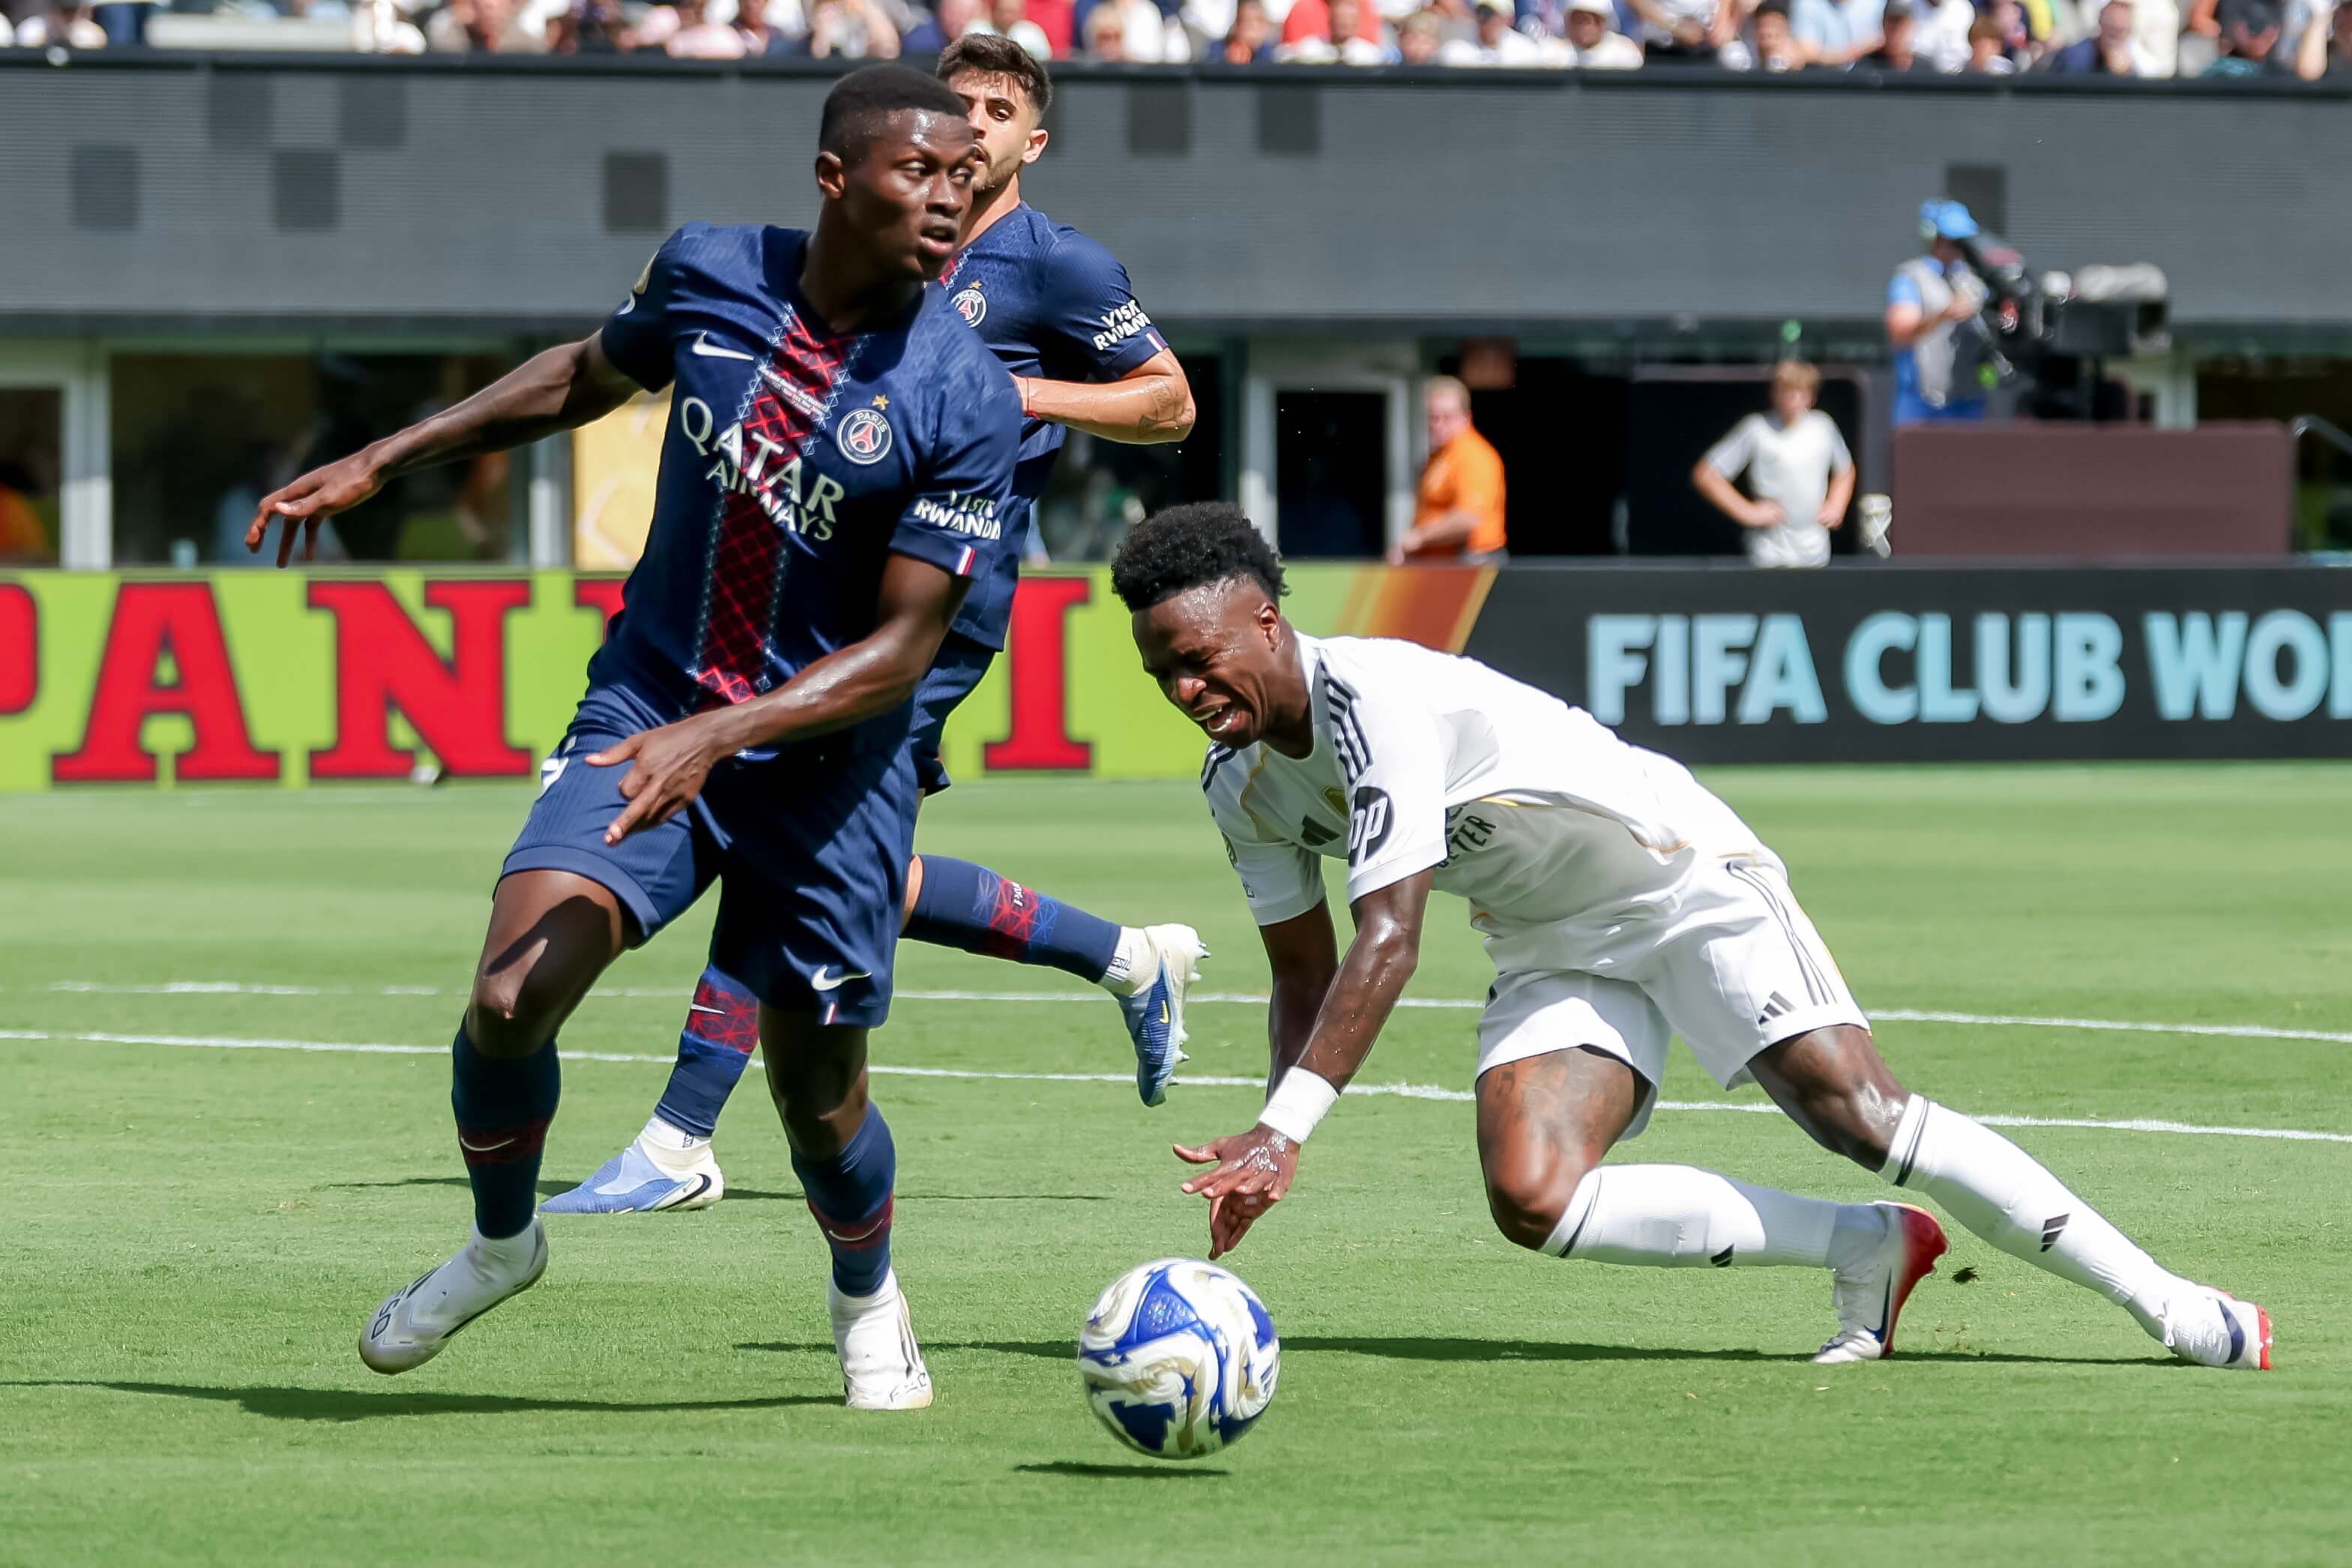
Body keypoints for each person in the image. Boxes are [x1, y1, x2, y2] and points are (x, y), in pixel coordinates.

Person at [247, 67, 1025, 1411]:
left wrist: (722, 737)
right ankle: (502, 1241)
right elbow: (581, 375)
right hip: (653, 704)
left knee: (816, 1100)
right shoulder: (711, 271)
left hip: (832, 767)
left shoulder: (964, 393)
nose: (950, 197)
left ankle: (867, 1295)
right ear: (838, 178)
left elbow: (901, 650)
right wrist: (389, 456)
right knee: (506, 998)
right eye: (920, 171)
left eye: (967, 177)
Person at [1116, 502, 2273, 1371]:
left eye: (1198, 655)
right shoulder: (1239, 788)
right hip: (1549, 937)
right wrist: (1269, 1137)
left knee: (1857, 1114)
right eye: (1162, 669)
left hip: (1681, 880)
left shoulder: (1375, 702)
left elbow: (1387, 942)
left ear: (1265, 621)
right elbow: (1303, 971)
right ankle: (1866, 1249)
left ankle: (2166, 1302)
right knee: (1534, 1198)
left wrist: (1287, 1130)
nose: (1185, 686)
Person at [543, 34, 1207, 1218]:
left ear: (1032, 142)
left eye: (999, 110)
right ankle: (1125, 956)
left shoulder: (1055, 265)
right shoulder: (878, 247)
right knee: (840, 864)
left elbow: (1168, 403)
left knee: (775, 830)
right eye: (958, 106)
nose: (975, 127)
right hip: (818, 598)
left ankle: (679, 1136)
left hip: (935, 610)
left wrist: (1022, 392)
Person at [1692, 361, 1853, 569]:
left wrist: (1836, 505)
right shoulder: (1757, 429)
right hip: (1769, 552)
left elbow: (1845, 470)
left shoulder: (1824, 426)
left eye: (1800, 393)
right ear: (1774, 393)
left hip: (1815, 552)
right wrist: (1747, 512)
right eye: (1786, 392)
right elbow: (1707, 475)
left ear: (1811, 397)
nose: (1793, 400)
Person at [1887, 199, 1991, 426]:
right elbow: (1900, 333)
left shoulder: (1976, 280)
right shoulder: (1911, 277)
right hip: (1921, 406)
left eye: (1961, 242)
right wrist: (1943, 314)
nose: (1955, 248)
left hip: (1968, 403)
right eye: (1948, 240)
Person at [1391, 375, 1505, 564]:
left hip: (1471, 562)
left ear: (1466, 417)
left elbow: (1468, 519)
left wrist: (1418, 537)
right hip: (1439, 562)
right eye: (1433, 417)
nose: (1438, 425)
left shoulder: (1475, 456)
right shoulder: (1439, 456)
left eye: (1447, 417)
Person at [2045, 0, 2156, 69]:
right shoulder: (2075, 58)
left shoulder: (2140, 59)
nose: (2118, 23)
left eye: (2124, 12)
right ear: (2101, 18)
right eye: (2113, 14)